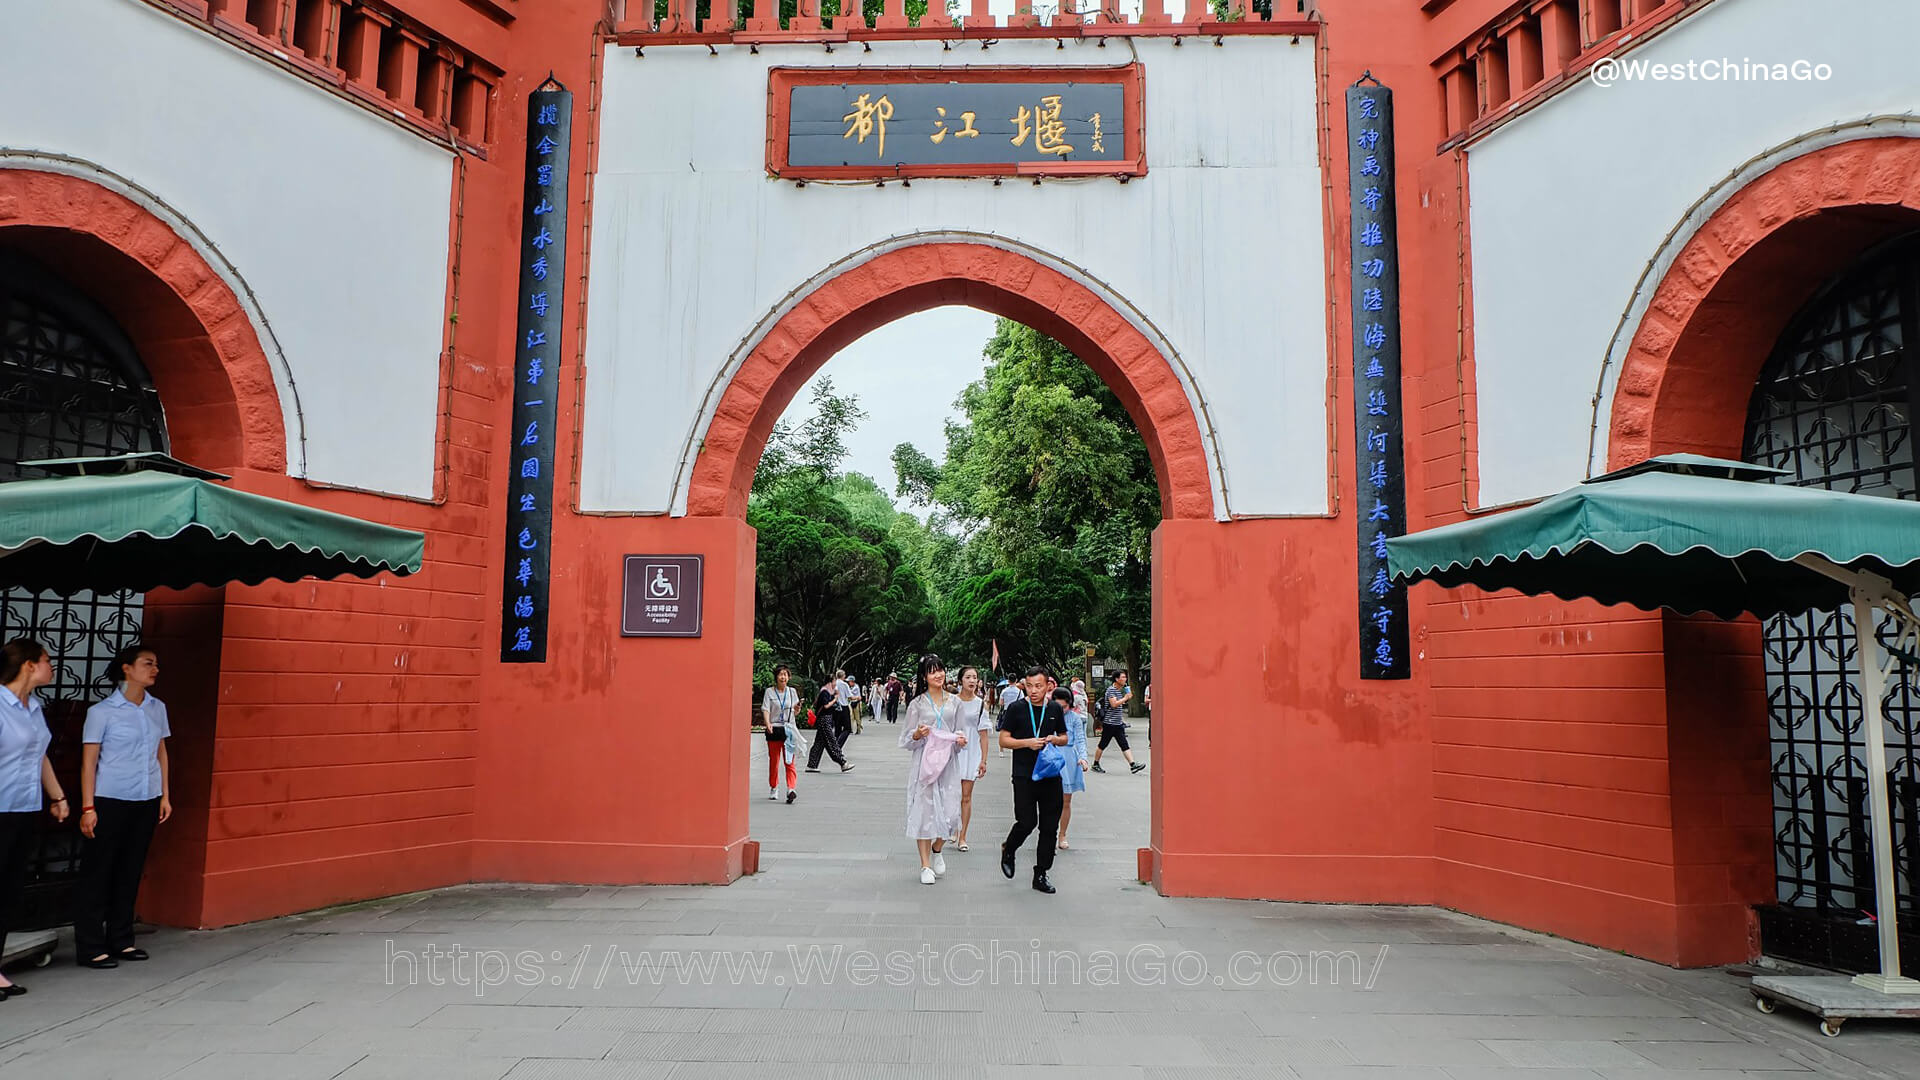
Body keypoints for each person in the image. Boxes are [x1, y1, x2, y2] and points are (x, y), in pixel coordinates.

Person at [75, 644, 172, 968]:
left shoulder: (157, 708)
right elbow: (89, 763)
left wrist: (165, 795)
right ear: (127, 668)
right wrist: (88, 807)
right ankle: (90, 945)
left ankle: (121, 938)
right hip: (110, 798)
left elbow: (161, 753)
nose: (154, 669)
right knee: (98, 871)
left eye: (156, 664)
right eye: (148, 663)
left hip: (145, 797)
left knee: (130, 869)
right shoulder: (102, 712)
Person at [0, 639, 71, 993]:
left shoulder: (34, 707)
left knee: (9, 890)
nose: (50, 665)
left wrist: (57, 795)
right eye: (46, 660)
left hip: (24, 807)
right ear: (28, 665)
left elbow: (39, 754)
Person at [997, 666, 1068, 894]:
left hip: (1050, 775)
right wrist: (1027, 742)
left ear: (1048, 686)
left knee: (1049, 827)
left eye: (1038, 686)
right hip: (1024, 775)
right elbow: (1004, 740)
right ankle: (1009, 848)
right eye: (1029, 686)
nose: (1034, 690)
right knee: (1027, 822)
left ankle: (1041, 873)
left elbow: (1065, 737)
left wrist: (1055, 740)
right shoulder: (1017, 708)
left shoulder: (1055, 707)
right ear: (1024, 685)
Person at [900, 654, 967, 885]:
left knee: (951, 814)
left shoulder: (955, 702)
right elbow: (907, 738)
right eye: (932, 671)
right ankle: (925, 864)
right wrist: (917, 735)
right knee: (924, 812)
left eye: (940, 670)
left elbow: (960, 730)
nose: (938, 675)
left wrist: (960, 740)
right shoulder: (917, 704)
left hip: (948, 764)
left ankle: (938, 848)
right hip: (925, 765)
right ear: (924, 676)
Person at [950, 666, 994, 852]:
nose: (972, 680)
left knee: (966, 796)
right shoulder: (951, 702)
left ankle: (963, 836)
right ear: (960, 680)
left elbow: (983, 735)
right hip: (952, 752)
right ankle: (951, 827)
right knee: (952, 795)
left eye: (974, 677)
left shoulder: (979, 705)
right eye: (968, 677)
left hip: (972, 752)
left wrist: (983, 760)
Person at [1054, 686, 1089, 851]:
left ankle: (1063, 834)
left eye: (1064, 707)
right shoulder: (1047, 715)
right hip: (1051, 757)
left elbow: (1080, 739)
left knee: (1066, 801)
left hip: (1068, 758)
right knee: (1050, 800)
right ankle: (1049, 833)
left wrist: (1083, 758)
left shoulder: (1074, 718)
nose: (1061, 710)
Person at [1091, 670, 1144, 774]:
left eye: (1125, 677)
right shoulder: (1111, 690)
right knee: (1103, 744)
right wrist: (1125, 698)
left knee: (1124, 744)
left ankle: (1133, 764)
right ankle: (1095, 764)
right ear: (1116, 679)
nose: (1125, 679)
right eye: (1123, 677)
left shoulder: (1118, 691)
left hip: (1118, 723)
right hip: (1110, 723)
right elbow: (1114, 704)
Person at [762, 666, 801, 802]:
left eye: (785, 675)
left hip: (789, 730)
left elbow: (795, 713)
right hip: (775, 729)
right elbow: (766, 709)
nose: (783, 677)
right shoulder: (769, 692)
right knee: (774, 761)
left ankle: (791, 788)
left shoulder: (792, 692)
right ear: (776, 677)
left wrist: (797, 709)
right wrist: (768, 724)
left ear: (789, 677)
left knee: (789, 761)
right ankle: (774, 786)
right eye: (780, 675)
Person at [806, 677, 852, 772]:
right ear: (830, 682)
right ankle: (842, 762)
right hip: (824, 719)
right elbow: (826, 705)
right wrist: (835, 699)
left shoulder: (828, 691)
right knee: (831, 742)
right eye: (834, 681)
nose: (835, 683)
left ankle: (812, 765)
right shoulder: (824, 692)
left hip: (826, 719)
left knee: (819, 743)